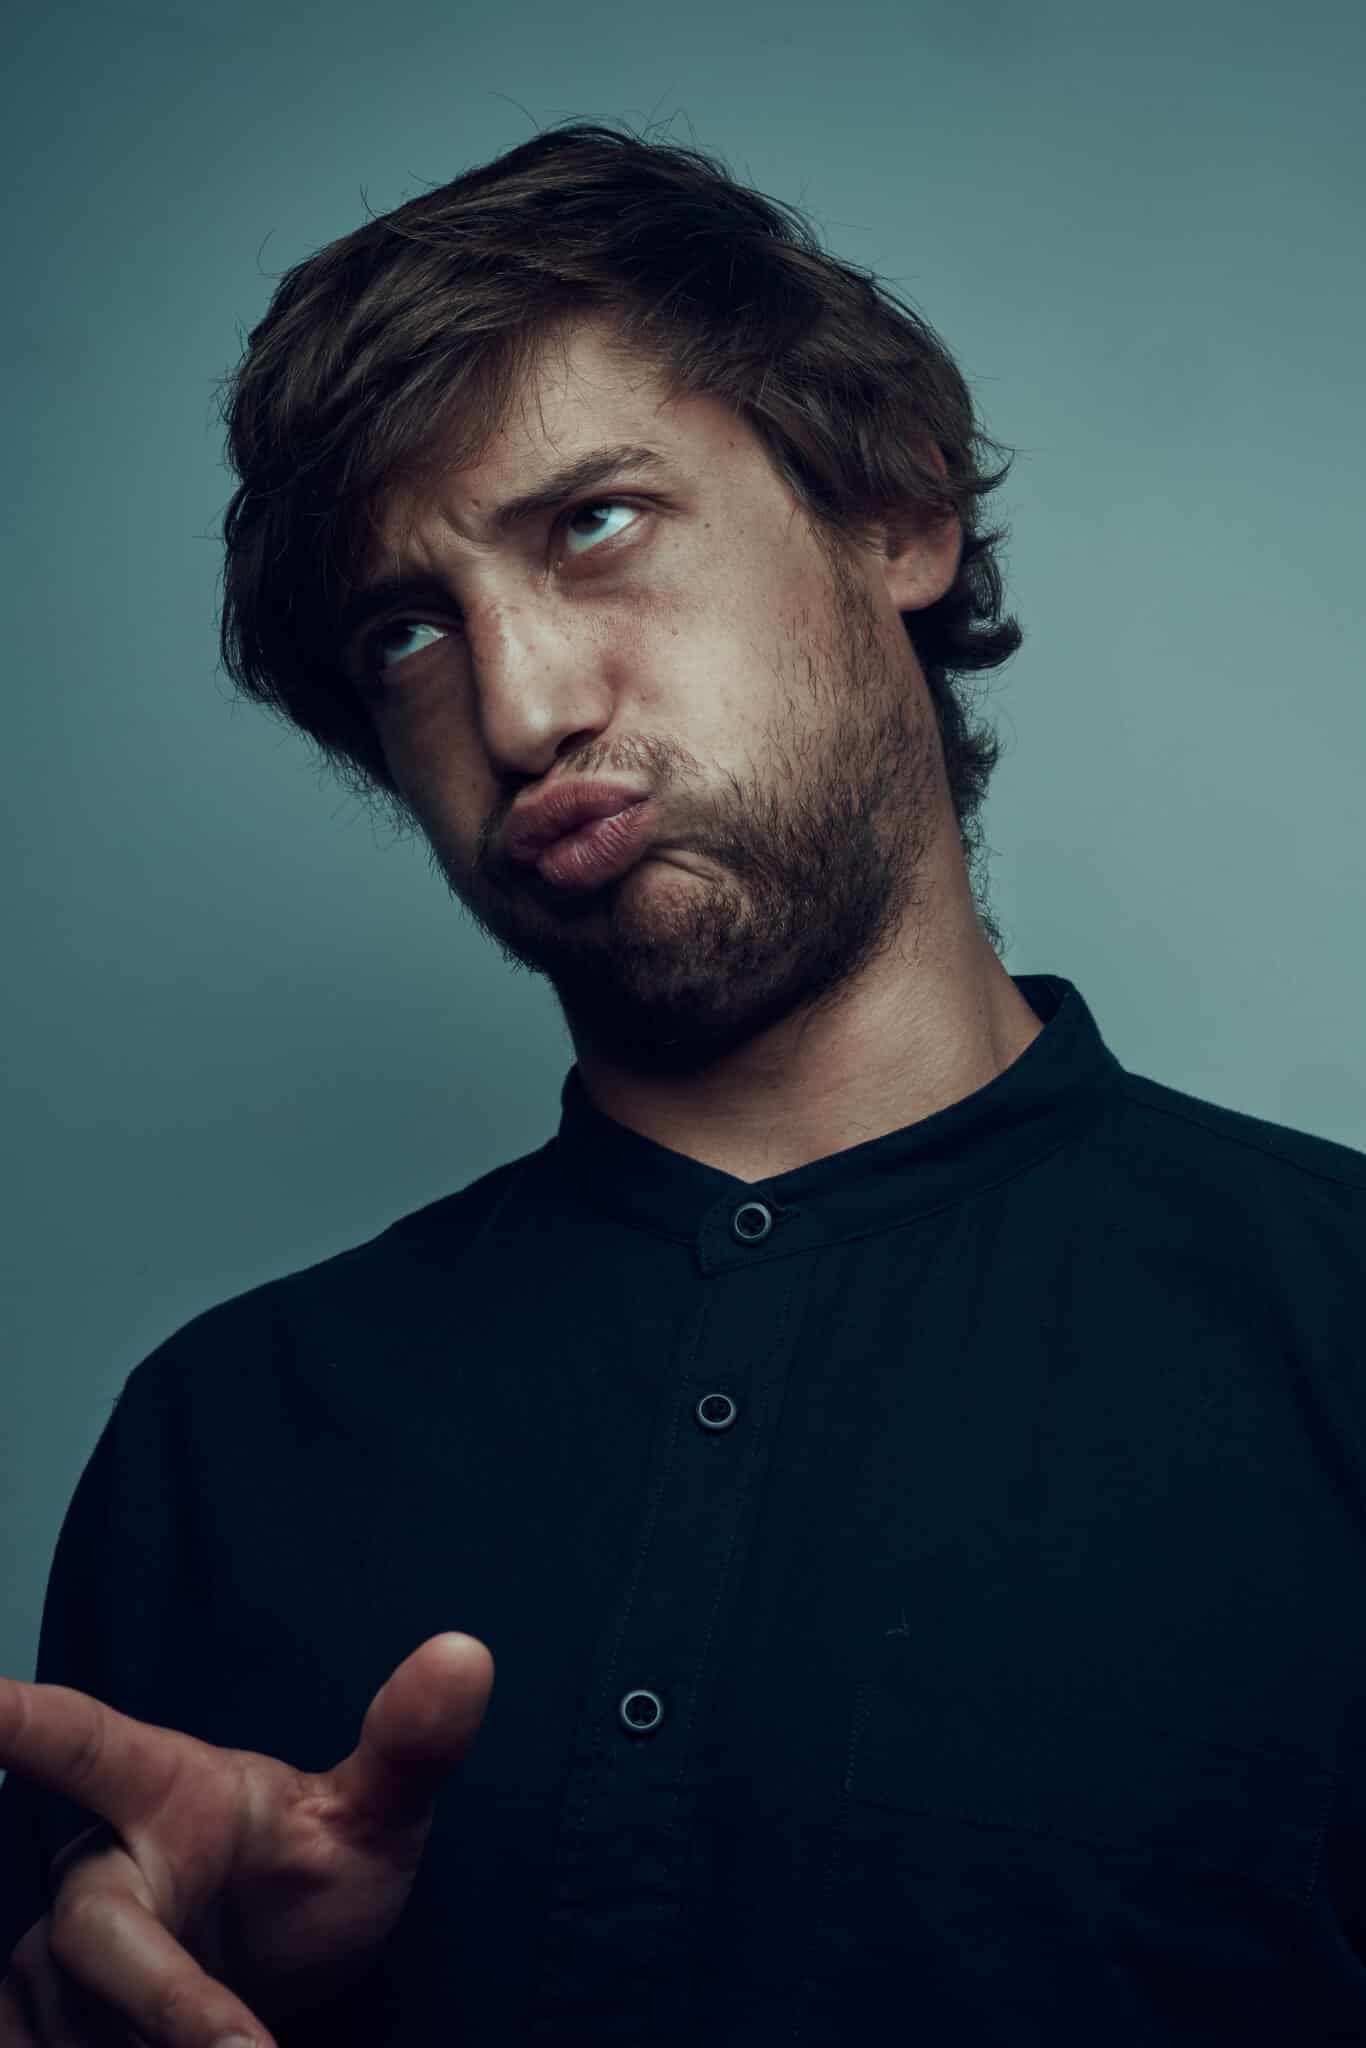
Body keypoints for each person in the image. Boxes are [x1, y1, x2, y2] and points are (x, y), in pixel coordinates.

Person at [3, 118, 1365, 2048]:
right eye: (407, 630)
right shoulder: (219, 1442)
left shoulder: (1336, 1331)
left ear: (891, 508)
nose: (520, 707)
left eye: (594, 522)